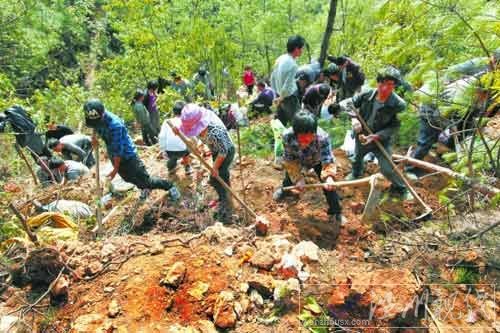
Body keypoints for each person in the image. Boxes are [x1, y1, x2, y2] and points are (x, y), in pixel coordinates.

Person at [83, 99, 180, 200]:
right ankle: (144, 188)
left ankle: (170, 186)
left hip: (127, 156)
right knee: (128, 178)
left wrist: (115, 169)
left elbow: (118, 151)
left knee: (147, 181)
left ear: (102, 114)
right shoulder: (96, 118)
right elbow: (95, 127)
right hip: (114, 155)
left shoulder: (115, 125)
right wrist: (94, 138)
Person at [273, 111, 343, 236]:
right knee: (289, 179)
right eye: (302, 136)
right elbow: (290, 161)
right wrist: (298, 178)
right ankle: (285, 190)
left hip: (317, 160)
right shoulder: (287, 136)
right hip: (297, 160)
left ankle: (336, 211)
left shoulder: (322, 138)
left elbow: (328, 159)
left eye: (310, 135)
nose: (306, 139)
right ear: (295, 133)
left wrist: (329, 177)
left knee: (329, 187)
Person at [346, 67, 409, 199]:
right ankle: (356, 174)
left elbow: (395, 126)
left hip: (381, 140)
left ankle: (401, 188)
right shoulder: (366, 94)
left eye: (390, 85)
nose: (385, 88)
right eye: (383, 83)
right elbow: (349, 104)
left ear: (395, 86)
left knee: (387, 168)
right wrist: (353, 120)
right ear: (378, 82)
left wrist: (377, 136)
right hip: (362, 135)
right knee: (357, 157)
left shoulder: (398, 104)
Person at [407, 75, 484, 176]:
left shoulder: (479, 95)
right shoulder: (461, 93)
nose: (484, 99)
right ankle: (410, 167)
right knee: (425, 142)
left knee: (459, 133)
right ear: (479, 91)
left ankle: (443, 152)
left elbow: (472, 118)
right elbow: (438, 116)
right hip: (430, 111)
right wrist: (452, 127)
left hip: (448, 114)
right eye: (483, 95)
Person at [178, 104, 235, 223]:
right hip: (216, 150)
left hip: (226, 151)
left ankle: (227, 203)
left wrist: (214, 168)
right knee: (215, 178)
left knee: (220, 176)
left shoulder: (215, 131)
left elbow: (223, 152)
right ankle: (223, 197)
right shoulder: (199, 127)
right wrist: (177, 131)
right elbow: (191, 134)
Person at [270, 35, 306, 126]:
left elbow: (272, 77)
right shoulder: (293, 65)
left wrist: (277, 94)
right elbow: (287, 85)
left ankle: (280, 139)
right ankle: (297, 139)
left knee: (281, 123)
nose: (302, 51)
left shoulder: (280, 58)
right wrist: (281, 97)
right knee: (297, 123)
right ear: (296, 49)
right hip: (289, 99)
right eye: (301, 48)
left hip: (279, 95)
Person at [159, 101, 192, 175]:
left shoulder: (167, 121)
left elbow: (161, 137)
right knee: (187, 148)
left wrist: (163, 150)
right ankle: (187, 167)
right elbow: (190, 137)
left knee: (172, 156)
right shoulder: (186, 121)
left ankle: (171, 167)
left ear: (174, 112)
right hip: (182, 151)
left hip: (169, 151)